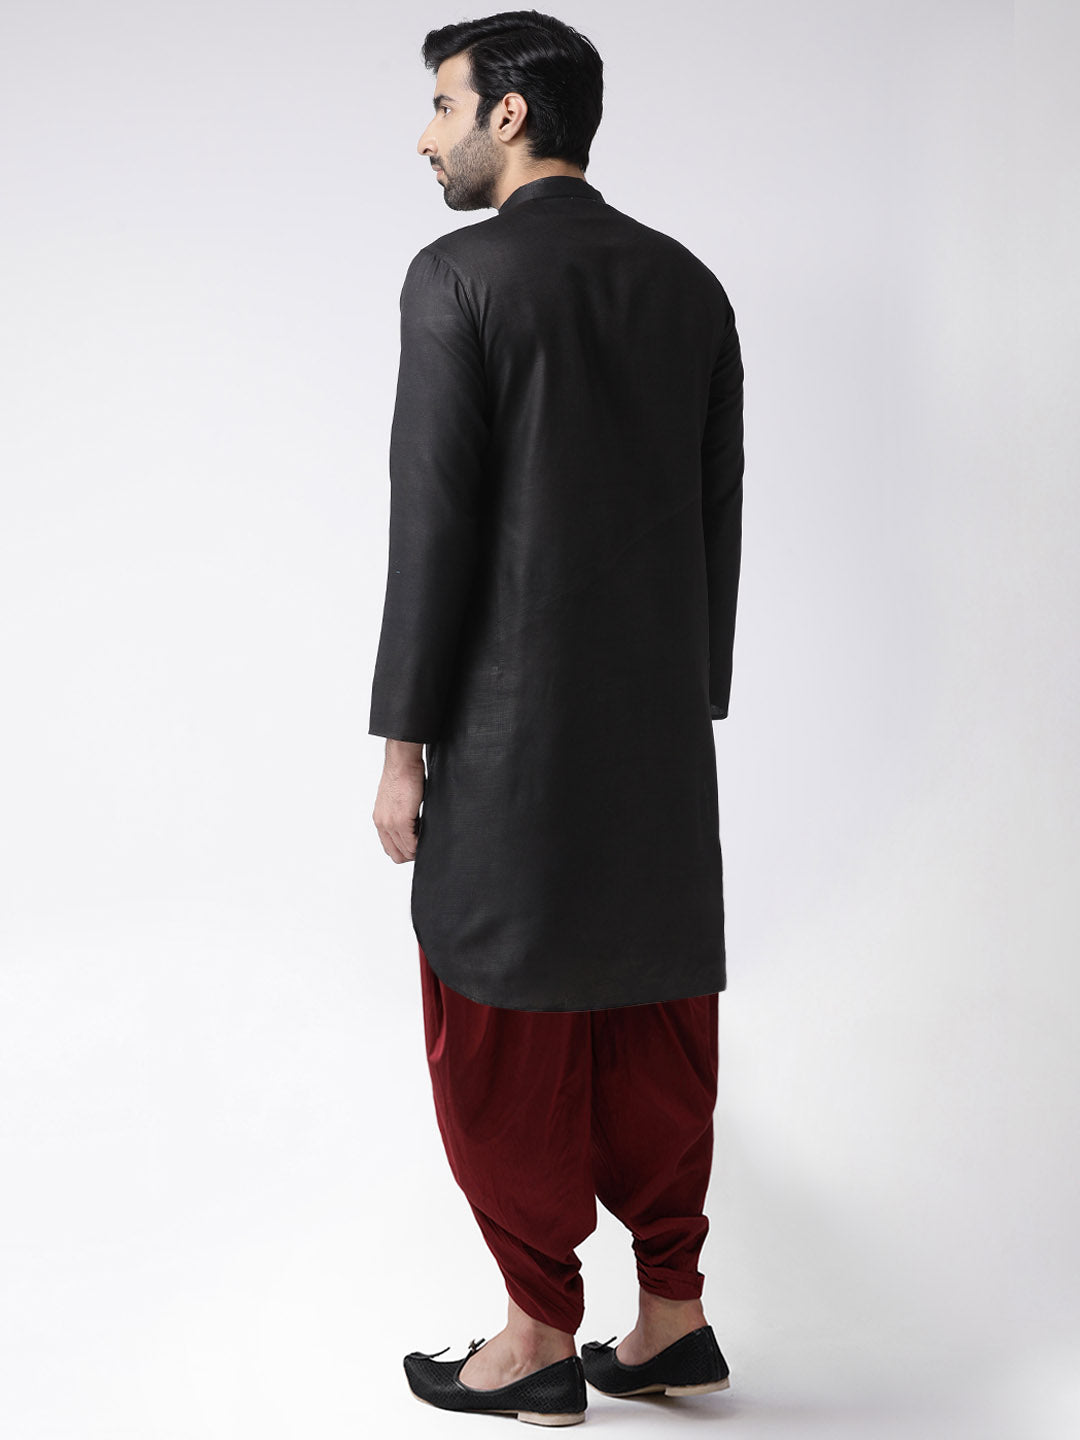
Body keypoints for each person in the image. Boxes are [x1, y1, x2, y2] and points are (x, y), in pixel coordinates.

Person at [370, 10, 743, 1425]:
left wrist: (404, 747)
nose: (425, 136)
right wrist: (690, 701)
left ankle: (536, 1340)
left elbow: (433, 530)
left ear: (510, 115)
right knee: (653, 1015)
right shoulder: (688, 283)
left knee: (499, 1029)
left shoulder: (457, 277)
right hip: (658, 745)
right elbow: (716, 519)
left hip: (509, 740)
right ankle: (672, 1315)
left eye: (442, 105)